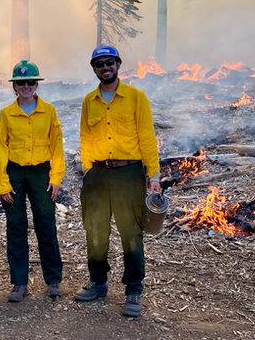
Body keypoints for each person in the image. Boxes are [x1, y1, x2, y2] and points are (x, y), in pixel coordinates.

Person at [75, 44, 160, 317]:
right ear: (94, 69)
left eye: (109, 62)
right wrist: (88, 168)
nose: (105, 68)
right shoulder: (89, 101)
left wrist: (154, 176)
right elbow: (85, 137)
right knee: (96, 231)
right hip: (98, 174)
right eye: (99, 64)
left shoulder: (136, 97)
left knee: (130, 233)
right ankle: (98, 283)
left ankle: (133, 291)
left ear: (118, 65)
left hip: (128, 173)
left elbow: (147, 138)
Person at [0, 60, 65, 302]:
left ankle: (53, 279)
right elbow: (0, 150)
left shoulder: (49, 111)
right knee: (16, 226)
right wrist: (2, 183)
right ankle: (19, 283)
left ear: (37, 84)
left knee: (46, 223)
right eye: (21, 82)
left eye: (30, 82)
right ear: (14, 86)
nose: (26, 86)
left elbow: (57, 147)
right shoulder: (6, 114)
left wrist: (56, 177)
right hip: (15, 172)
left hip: (40, 172)